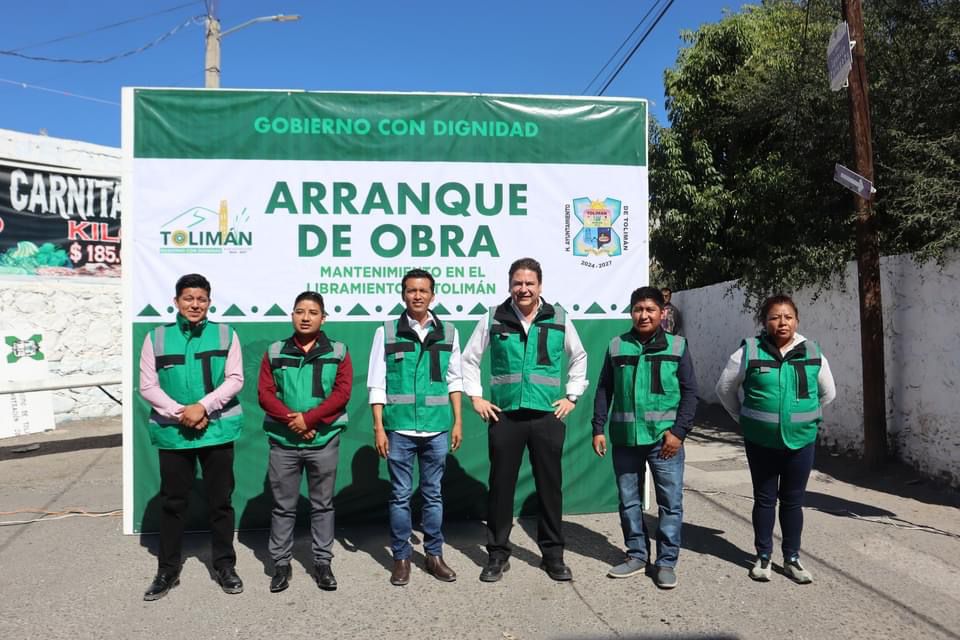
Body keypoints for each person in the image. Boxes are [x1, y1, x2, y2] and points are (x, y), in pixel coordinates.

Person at [462, 257, 588, 582]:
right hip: (505, 417)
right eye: (518, 283)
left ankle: (553, 556)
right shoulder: (494, 317)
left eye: (530, 283)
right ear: (509, 285)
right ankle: (497, 555)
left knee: (550, 488)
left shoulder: (558, 318)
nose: (524, 289)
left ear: (540, 286)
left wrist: (572, 395)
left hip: (547, 415)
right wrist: (475, 397)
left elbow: (580, 356)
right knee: (501, 488)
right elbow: (469, 359)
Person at [714, 294, 836, 584]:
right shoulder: (749, 351)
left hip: (800, 441)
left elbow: (828, 393)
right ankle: (763, 556)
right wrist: (743, 418)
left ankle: (791, 558)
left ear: (797, 320)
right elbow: (724, 389)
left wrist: (805, 417)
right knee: (765, 499)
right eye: (774, 317)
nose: (781, 323)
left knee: (793, 502)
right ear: (764, 321)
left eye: (787, 317)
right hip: (761, 442)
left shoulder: (813, 351)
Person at [139, 273, 244, 601]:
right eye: (188, 298)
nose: (195, 304)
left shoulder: (226, 334)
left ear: (209, 303)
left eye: (201, 299)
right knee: (173, 503)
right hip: (174, 435)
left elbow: (235, 378)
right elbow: (147, 386)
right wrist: (181, 413)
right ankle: (168, 570)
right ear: (176, 302)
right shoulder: (155, 338)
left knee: (220, 503)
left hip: (217, 430)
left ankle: (224, 565)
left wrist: (202, 407)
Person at [591, 286, 698, 589]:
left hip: (665, 442)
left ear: (662, 313)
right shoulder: (617, 346)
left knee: (670, 503)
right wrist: (598, 428)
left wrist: (679, 433)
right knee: (628, 501)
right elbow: (604, 390)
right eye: (638, 309)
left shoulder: (677, 347)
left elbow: (691, 393)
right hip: (626, 439)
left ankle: (666, 562)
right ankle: (637, 555)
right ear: (631, 312)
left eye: (650, 309)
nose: (644, 315)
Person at [368, 269, 463, 586]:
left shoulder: (449, 332)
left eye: (423, 291)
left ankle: (434, 556)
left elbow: (455, 379)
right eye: (411, 290)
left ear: (433, 295)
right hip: (399, 429)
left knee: (433, 495)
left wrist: (457, 420)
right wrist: (379, 427)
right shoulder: (386, 331)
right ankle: (401, 558)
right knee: (399, 496)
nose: (417, 296)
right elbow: (376, 383)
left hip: (436, 428)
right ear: (403, 294)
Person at [257, 291, 352, 593]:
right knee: (283, 506)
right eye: (300, 311)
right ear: (292, 315)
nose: (306, 317)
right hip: (283, 441)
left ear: (323, 318)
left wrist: (309, 421)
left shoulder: (338, 351)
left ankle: (322, 562)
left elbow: (342, 393)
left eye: (313, 312)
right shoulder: (274, 351)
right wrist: (292, 421)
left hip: (323, 440)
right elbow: (265, 394)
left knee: (322, 505)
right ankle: (281, 564)